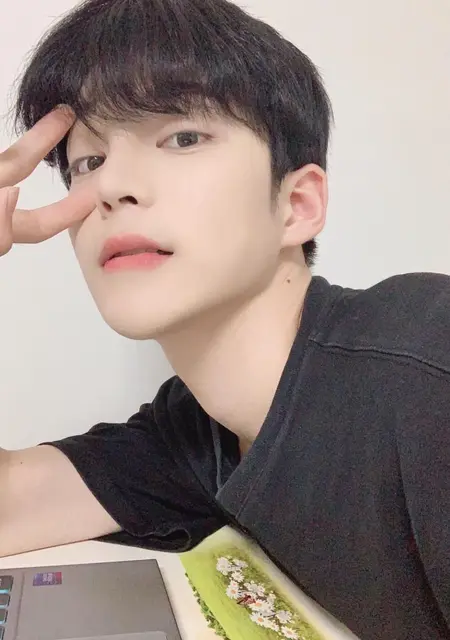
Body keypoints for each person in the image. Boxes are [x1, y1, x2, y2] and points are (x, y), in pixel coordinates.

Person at [0, 0, 449, 638]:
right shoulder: (196, 435)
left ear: (297, 204)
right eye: (88, 162)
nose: (112, 187)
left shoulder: (427, 366)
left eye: (182, 137)